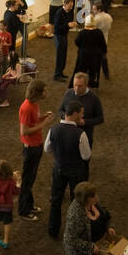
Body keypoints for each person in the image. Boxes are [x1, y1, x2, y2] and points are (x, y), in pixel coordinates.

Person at [46, 100, 91, 238]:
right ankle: (73, 231)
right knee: (76, 202)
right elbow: (86, 155)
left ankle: (53, 230)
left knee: (56, 199)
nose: (82, 117)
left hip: (58, 168)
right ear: (75, 113)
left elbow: (46, 149)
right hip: (75, 171)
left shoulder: (53, 129)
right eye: (81, 114)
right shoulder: (80, 134)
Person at [17, 79, 53, 222]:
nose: (46, 92)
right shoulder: (26, 108)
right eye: (44, 90)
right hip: (31, 147)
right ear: (37, 92)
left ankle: (29, 205)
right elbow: (24, 131)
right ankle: (23, 210)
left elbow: (33, 120)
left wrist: (42, 117)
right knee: (27, 180)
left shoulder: (34, 104)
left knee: (30, 178)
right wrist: (44, 123)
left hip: (36, 145)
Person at [58, 72, 104, 164]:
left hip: (85, 135)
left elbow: (100, 118)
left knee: (84, 161)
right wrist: (68, 118)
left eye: (80, 86)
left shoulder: (94, 98)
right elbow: (60, 111)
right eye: (75, 85)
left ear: (86, 85)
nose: (76, 88)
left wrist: (85, 122)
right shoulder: (68, 93)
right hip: (68, 135)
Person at [0, 160, 19, 249]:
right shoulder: (11, 182)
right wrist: (18, 183)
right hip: (8, 206)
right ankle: (6, 240)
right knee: (7, 222)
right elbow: (16, 192)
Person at [73, 16, 107, 90]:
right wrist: (103, 52)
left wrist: (81, 48)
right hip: (95, 55)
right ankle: (91, 83)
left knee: (82, 70)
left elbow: (76, 42)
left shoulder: (82, 33)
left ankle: (81, 84)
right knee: (93, 70)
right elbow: (103, 44)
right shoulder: (99, 32)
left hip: (84, 55)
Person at [52, 0, 78, 81]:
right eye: (70, 6)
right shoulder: (59, 13)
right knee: (60, 55)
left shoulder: (69, 12)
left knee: (64, 54)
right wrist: (68, 25)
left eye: (72, 6)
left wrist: (71, 25)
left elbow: (67, 23)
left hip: (64, 35)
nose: (71, 7)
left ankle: (61, 72)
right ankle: (57, 75)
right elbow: (56, 27)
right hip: (58, 36)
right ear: (65, 4)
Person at [92, 0, 113, 82]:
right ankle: (106, 74)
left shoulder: (95, 19)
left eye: (94, 9)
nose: (93, 11)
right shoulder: (109, 17)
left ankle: (94, 75)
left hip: (96, 41)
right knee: (104, 58)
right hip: (105, 39)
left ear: (99, 10)